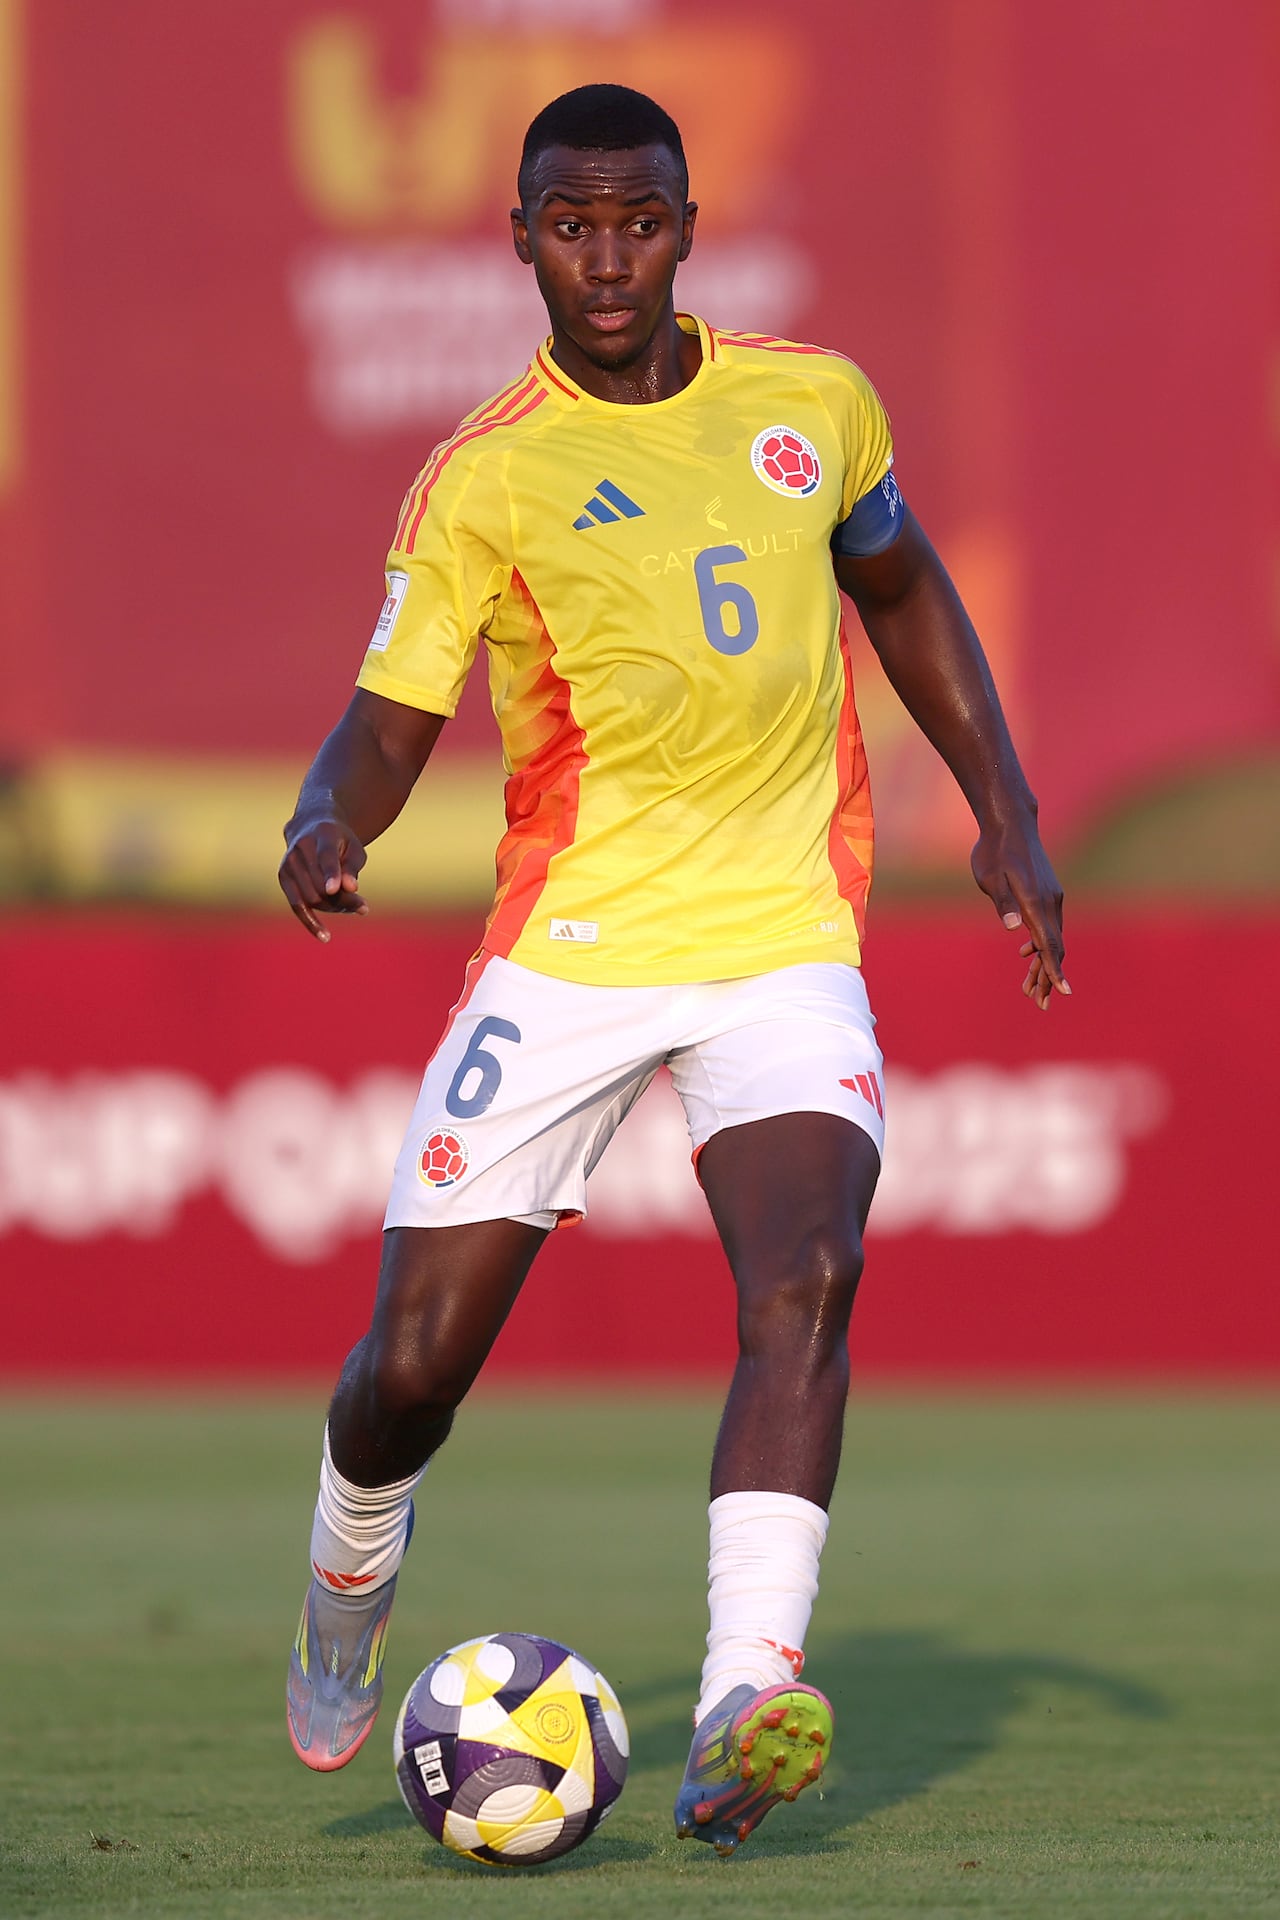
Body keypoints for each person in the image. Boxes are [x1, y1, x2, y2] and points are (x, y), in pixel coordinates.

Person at [278, 83, 1068, 1856]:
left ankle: (740, 1703)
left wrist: (1003, 809)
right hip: (572, 955)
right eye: (574, 224)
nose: (608, 255)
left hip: (783, 939)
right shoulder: (485, 474)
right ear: (521, 239)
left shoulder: (815, 400)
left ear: (690, 227)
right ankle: (349, 1556)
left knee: (810, 1276)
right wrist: (330, 825)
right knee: (411, 1365)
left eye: (639, 221)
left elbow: (907, 586)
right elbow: (385, 724)